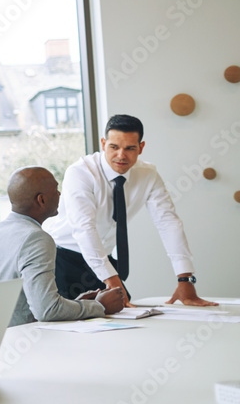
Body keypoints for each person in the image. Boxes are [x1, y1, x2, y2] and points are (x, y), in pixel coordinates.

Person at [45, 114, 216, 306]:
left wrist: (185, 278)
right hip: (61, 259)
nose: (121, 155)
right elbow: (84, 229)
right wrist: (112, 282)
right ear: (103, 144)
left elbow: (168, 222)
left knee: (122, 315)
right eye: (114, 147)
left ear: (141, 148)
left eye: (130, 148)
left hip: (102, 258)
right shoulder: (80, 172)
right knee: (73, 323)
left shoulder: (148, 175)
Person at [0, 167, 125, 327]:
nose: (60, 195)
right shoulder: (36, 238)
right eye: (56, 190)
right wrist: (100, 306)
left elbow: (31, 305)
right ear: (42, 200)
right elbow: (46, 311)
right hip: (21, 340)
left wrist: (76, 304)